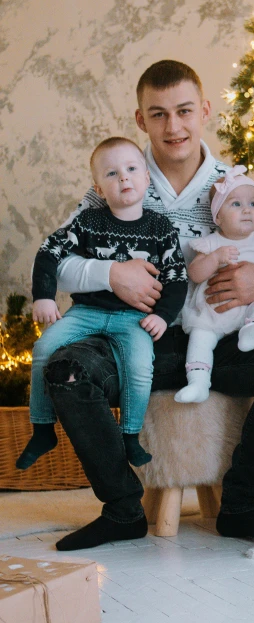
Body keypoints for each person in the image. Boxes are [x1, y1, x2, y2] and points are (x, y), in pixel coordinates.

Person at [43, 60, 254, 551]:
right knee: (67, 369)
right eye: (159, 114)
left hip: (219, 340)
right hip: (135, 337)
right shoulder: (118, 174)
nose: (174, 127)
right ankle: (123, 509)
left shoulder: (235, 185)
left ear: (205, 111)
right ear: (140, 119)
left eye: (185, 111)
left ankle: (238, 506)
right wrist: (111, 273)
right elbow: (59, 261)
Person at [18, 137, 187, 471]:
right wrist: (43, 296)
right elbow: (49, 252)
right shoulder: (88, 222)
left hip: (133, 318)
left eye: (131, 169)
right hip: (86, 312)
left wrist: (164, 316)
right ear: (98, 186)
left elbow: (177, 276)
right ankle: (41, 428)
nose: (123, 178)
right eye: (111, 173)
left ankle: (130, 436)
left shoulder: (160, 228)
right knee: (44, 347)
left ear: (146, 177)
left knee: (140, 367)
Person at [175, 165, 254, 404]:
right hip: (214, 312)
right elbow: (195, 273)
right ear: (217, 216)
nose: (247, 211)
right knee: (200, 338)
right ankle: (198, 381)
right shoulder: (211, 243)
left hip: (250, 309)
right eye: (236, 204)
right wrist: (216, 258)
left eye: (253, 204)